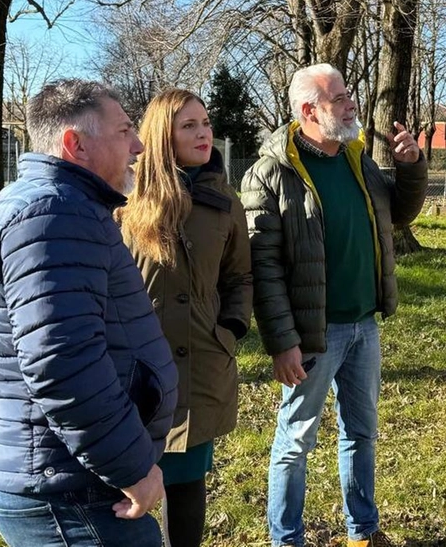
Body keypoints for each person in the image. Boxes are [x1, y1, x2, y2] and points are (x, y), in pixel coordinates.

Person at [0, 79, 179, 547]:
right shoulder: (52, 214)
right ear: (75, 144)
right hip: (74, 493)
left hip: (72, 477)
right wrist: (132, 468)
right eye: (125, 130)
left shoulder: (63, 207)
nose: (139, 145)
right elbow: (63, 362)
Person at [240, 63, 428, 547]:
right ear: (308, 110)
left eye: (348, 94)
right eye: (339, 97)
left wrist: (410, 169)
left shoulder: (356, 157)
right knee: (295, 443)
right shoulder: (269, 174)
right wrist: (282, 342)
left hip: (364, 324)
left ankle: (362, 531)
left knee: (361, 433)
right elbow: (263, 269)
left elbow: (396, 214)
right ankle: (287, 539)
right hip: (312, 334)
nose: (351, 103)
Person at [120, 88, 253, 547]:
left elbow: (240, 277)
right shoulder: (125, 201)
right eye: (189, 126)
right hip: (139, 372)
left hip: (201, 365)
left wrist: (231, 329)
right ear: (163, 136)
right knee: (130, 484)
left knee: (188, 485)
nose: (203, 134)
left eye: (206, 124)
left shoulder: (223, 201)